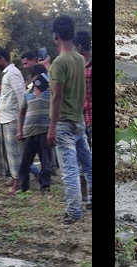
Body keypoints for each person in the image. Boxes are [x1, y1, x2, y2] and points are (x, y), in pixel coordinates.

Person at [48, 15, 92, 225]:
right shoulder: (80, 59)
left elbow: (57, 96)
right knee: (88, 163)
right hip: (79, 121)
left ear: (56, 36)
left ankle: (74, 211)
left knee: (70, 169)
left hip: (64, 123)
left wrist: (51, 128)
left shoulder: (59, 63)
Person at [0, 47, 26, 192]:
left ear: (1, 59)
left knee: (14, 154)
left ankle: (18, 183)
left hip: (12, 119)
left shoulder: (12, 73)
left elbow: (21, 98)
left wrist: (20, 123)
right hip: (5, 120)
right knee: (8, 154)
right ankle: (14, 178)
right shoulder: (7, 74)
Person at [17, 66, 53, 195]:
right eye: (35, 77)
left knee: (46, 162)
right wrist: (19, 131)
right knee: (25, 162)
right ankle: (24, 187)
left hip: (45, 132)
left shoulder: (51, 92)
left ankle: (45, 187)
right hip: (29, 132)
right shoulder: (27, 94)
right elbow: (21, 113)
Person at [74, 31, 92, 205]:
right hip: (82, 119)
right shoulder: (78, 66)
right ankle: (85, 196)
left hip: (91, 118)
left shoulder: (89, 66)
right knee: (83, 159)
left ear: (80, 46)